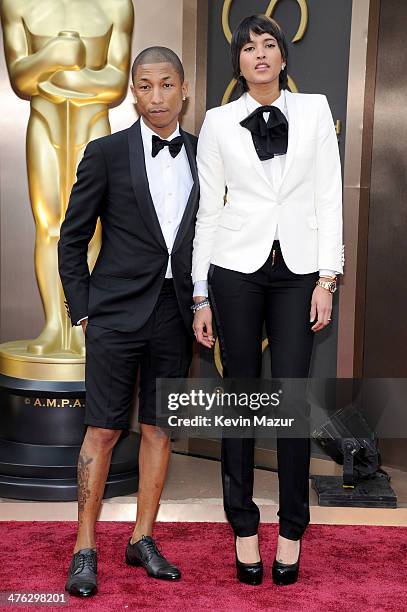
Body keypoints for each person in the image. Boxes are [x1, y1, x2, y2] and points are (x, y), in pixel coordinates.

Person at [192, 15, 343, 586]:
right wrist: (200, 294)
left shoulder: (314, 111)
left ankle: (292, 530)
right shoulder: (218, 121)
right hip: (235, 269)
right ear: (238, 62)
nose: (259, 55)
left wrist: (327, 280)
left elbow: (329, 199)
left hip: (300, 272)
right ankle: (243, 528)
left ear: (283, 58)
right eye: (248, 47)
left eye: (269, 45)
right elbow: (209, 210)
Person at [58, 46, 199, 597]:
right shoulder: (106, 152)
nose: (157, 96)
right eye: (146, 85)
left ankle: (142, 538)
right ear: (133, 92)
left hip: (176, 312)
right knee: (104, 427)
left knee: (160, 427)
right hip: (115, 312)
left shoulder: (201, 154)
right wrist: (85, 308)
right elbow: (72, 238)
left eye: (167, 85)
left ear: (183, 90)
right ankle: (84, 547)